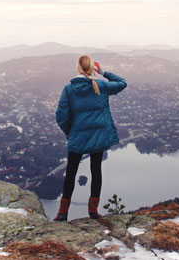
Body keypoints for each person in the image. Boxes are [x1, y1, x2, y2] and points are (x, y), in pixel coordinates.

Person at [54, 55, 127, 221]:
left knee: (71, 173)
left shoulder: (69, 89)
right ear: (91, 68)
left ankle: (62, 213)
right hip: (98, 137)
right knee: (96, 171)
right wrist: (103, 72)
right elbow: (122, 83)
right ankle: (93, 211)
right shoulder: (100, 85)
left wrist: (69, 131)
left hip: (77, 137)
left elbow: (61, 115)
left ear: (78, 68)